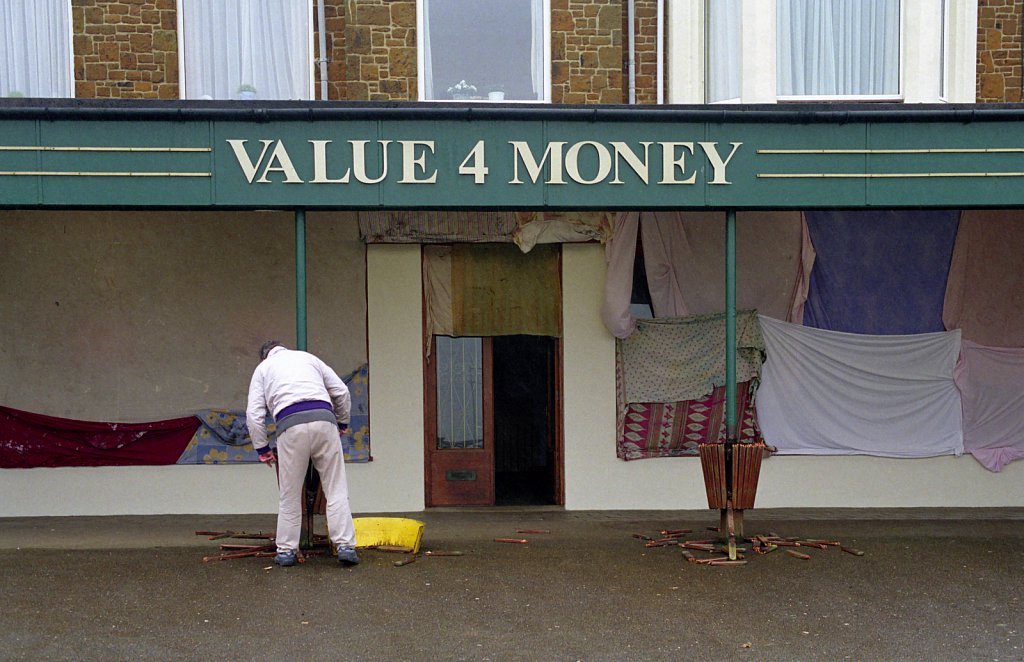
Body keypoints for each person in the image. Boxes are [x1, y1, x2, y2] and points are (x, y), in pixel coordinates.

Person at [246, 340, 360, 567]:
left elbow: (253, 414)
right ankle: (345, 546)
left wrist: (262, 449)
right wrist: (343, 422)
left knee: (290, 494)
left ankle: (287, 551)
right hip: (324, 420)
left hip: (290, 426)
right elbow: (342, 392)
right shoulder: (309, 358)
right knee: (336, 488)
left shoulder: (263, 369)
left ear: (264, 356)